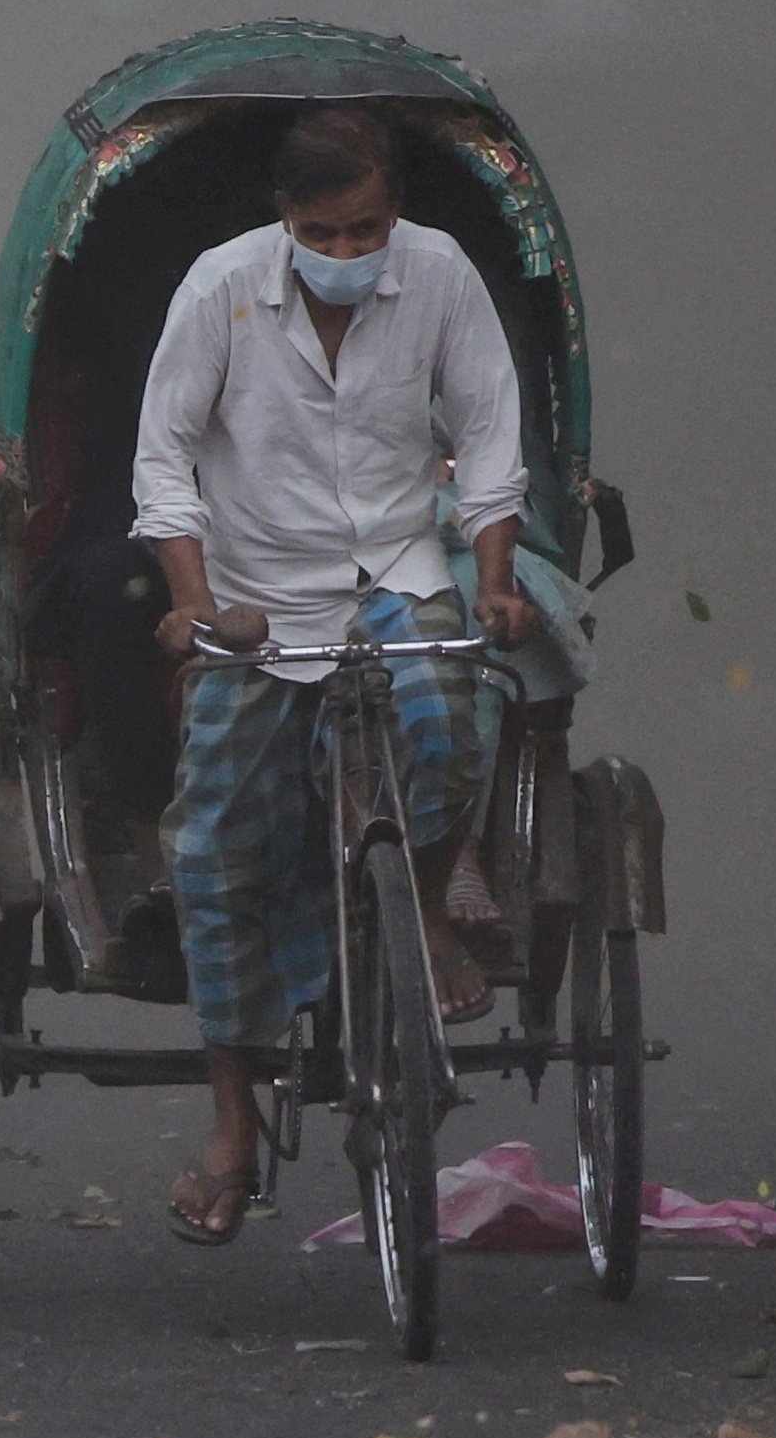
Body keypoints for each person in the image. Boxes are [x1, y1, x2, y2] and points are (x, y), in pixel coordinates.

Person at [131, 105, 540, 1247]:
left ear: (393, 211)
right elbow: (163, 452)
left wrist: (496, 582)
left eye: (368, 229)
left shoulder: (442, 275)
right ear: (285, 218)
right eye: (326, 233)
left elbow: (491, 435)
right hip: (259, 595)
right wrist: (196, 600)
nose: (350, 254)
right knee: (213, 847)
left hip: (399, 573)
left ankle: (420, 906)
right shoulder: (221, 289)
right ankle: (231, 1127)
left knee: (454, 732)